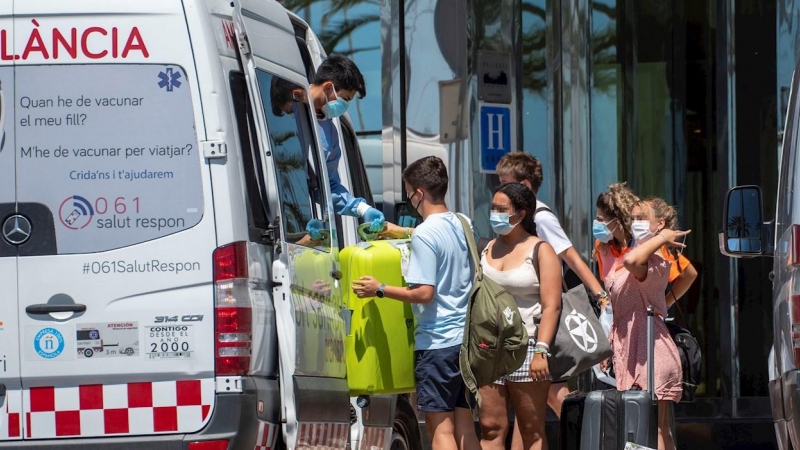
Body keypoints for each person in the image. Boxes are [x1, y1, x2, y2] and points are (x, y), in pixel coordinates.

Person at [351, 156, 480, 450]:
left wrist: (379, 288)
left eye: (409, 193)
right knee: (464, 427)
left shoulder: (425, 234)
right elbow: (434, 238)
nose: (410, 199)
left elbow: (424, 293)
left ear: (419, 193)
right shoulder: (463, 223)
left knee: (440, 430)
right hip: (466, 342)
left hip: (436, 344)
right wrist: (400, 231)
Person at [494, 152, 608, 424]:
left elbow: (570, 256)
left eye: (505, 183)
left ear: (525, 185)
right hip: (528, 319)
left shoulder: (541, 217)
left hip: (545, 318)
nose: (499, 190)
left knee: (554, 391)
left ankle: (587, 435)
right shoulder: (518, 220)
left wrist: (600, 296)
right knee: (533, 402)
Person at [594, 183, 685, 450]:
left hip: (650, 351)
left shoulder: (654, 257)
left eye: (642, 219)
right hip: (630, 348)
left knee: (654, 429)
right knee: (643, 429)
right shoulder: (635, 252)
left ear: (661, 225)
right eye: (633, 218)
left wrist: (661, 238)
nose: (636, 224)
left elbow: (634, 264)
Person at [477, 183, 562, 450]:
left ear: (521, 214)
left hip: (527, 347)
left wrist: (542, 350)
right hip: (488, 348)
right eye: (493, 208)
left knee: (530, 430)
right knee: (490, 428)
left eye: (502, 210)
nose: (495, 215)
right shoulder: (487, 247)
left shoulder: (540, 250)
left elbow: (552, 306)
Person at [270, 55, 385, 237]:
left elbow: (327, 186)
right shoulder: (289, 106)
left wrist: (362, 209)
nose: (344, 106)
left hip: (301, 226)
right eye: (345, 98)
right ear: (328, 87)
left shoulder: (330, 132)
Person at [643, 197, 698, 308]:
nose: (636, 222)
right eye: (634, 217)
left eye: (643, 217)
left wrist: (664, 304)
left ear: (660, 223)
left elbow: (690, 274)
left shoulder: (661, 249)